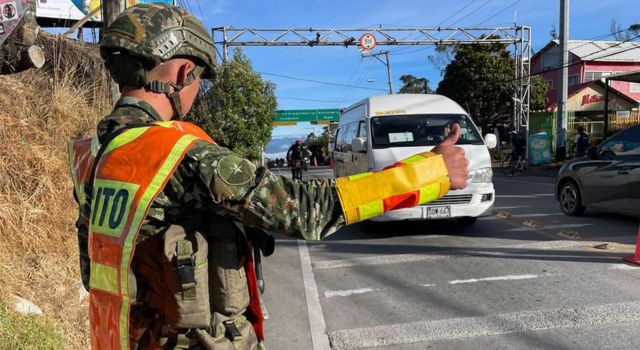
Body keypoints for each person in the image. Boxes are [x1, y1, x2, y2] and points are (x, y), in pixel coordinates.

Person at [68, 4, 468, 350]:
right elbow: (310, 211)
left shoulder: (90, 158)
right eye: (200, 80)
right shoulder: (178, 154)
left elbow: (96, 272)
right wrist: (432, 171)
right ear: (183, 72)